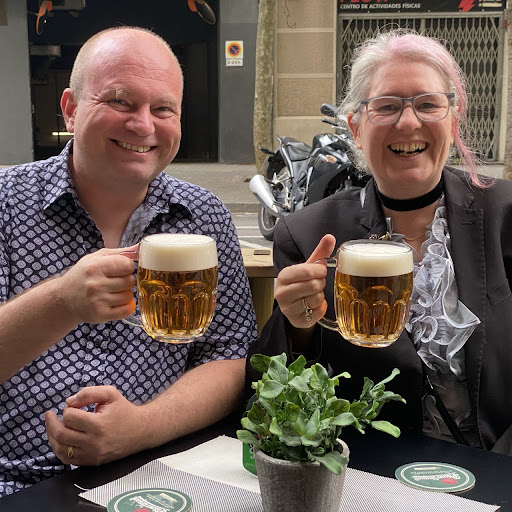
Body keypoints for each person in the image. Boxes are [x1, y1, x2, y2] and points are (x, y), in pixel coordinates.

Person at [0, 26, 257, 497]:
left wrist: (140, 428)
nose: (143, 125)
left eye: (163, 109)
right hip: (17, 482)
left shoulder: (204, 215)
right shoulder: (6, 203)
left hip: (164, 474)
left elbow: (230, 355)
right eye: (120, 101)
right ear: (71, 109)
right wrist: (61, 302)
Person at [247, 29, 512, 455]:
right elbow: (275, 396)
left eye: (428, 104)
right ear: (355, 127)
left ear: (453, 120)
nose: (408, 122)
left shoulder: (505, 215)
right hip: (373, 469)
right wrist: (296, 328)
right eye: (387, 106)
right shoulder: (307, 233)